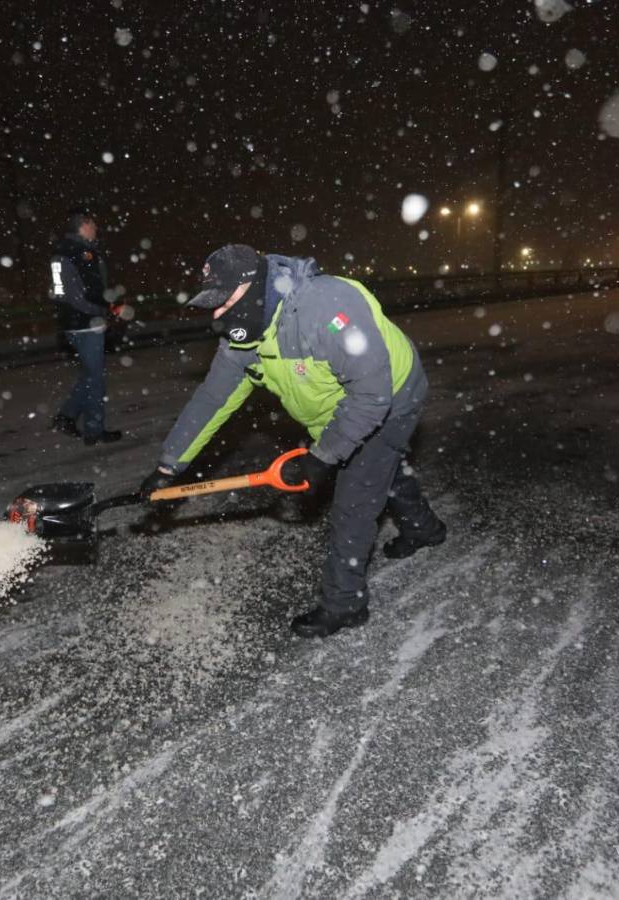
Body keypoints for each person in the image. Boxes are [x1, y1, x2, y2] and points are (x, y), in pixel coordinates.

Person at [139, 245, 446, 638]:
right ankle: (424, 528)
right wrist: (169, 465)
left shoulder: (327, 309)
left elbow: (371, 396)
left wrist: (323, 456)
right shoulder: (243, 339)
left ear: (254, 289)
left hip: (391, 398)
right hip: (337, 408)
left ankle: (345, 603)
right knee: (379, 473)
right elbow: (213, 398)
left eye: (225, 302)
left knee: (354, 502)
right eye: (213, 306)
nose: (218, 316)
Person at [48, 208, 122, 445]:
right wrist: (98, 312)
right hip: (84, 324)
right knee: (95, 379)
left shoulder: (71, 251)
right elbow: (73, 295)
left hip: (78, 322)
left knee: (90, 375)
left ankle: (66, 416)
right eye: (93, 223)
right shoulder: (73, 252)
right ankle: (94, 430)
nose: (96, 227)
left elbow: (77, 290)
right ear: (83, 225)